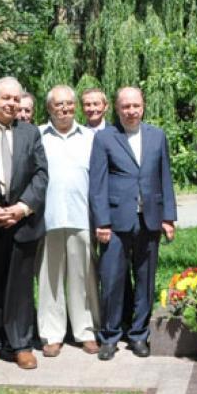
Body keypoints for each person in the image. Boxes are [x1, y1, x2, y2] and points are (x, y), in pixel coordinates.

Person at [90, 87, 177, 360]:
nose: (131, 111)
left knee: (145, 280)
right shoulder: (105, 138)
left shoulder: (157, 136)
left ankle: (139, 335)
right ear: (117, 109)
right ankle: (110, 337)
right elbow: (98, 184)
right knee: (112, 280)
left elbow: (165, 176)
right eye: (125, 106)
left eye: (135, 106)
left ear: (143, 106)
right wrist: (101, 221)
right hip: (115, 222)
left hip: (149, 219)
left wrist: (168, 217)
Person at [0, 78, 48, 370]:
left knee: (20, 288)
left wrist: (22, 208)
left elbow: (41, 175)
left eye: (16, 100)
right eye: (6, 98)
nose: (12, 104)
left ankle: (21, 345)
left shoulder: (30, 133)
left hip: (22, 222)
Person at [38, 85, 100, 357]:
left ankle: (85, 330)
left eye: (69, 104)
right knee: (49, 279)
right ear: (49, 107)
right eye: (58, 104)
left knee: (83, 277)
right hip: (47, 217)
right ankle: (52, 334)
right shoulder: (38, 136)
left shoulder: (90, 137)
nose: (64, 108)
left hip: (81, 216)